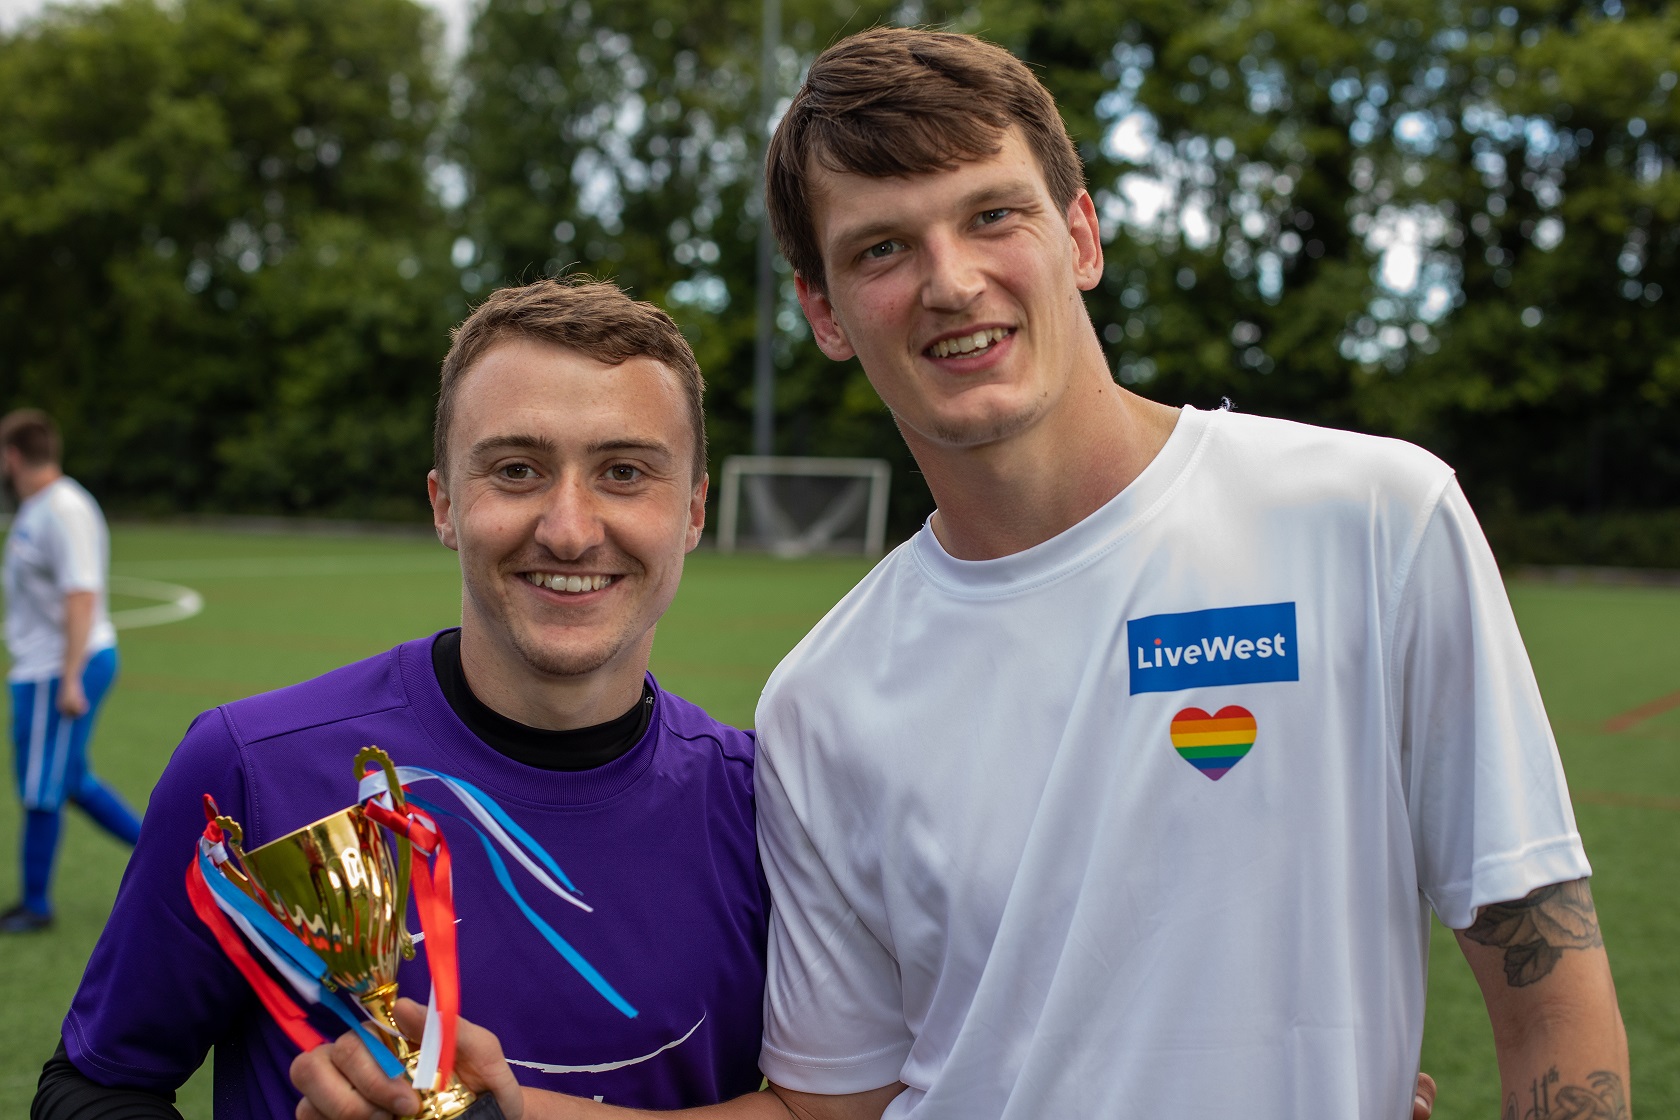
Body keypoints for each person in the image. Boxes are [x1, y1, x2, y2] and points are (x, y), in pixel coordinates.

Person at [295, 29, 1550, 1120]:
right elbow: (828, 1111)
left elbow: (1551, 1001)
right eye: (883, 247)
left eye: (992, 214)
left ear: (1081, 234)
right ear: (827, 313)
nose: (951, 280)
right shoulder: (824, 697)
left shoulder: (1369, 516)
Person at [32, 279, 770, 1118]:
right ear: (445, 504)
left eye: (625, 472)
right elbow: (94, 1085)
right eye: (517, 470)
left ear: (694, 511)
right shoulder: (249, 769)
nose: (569, 528)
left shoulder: (768, 807)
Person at [2, 408, 141, 934]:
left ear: (13, 456)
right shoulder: (39, 508)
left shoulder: (63, 508)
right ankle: (175, 854)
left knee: (42, 787)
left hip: (59, 670)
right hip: (44, 668)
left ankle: (35, 906)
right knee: (71, 780)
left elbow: (82, 595)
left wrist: (69, 677)